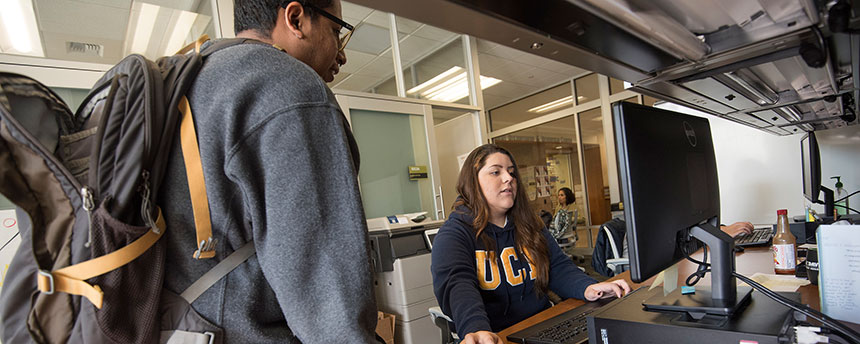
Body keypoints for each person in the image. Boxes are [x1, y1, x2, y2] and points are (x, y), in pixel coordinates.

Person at [158, 0, 379, 342]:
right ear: (295, 18)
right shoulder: (290, 88)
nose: (342, 53)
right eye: (337, 30)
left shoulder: (191, 80)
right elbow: (329, 301)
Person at [431, 144, 630, 344]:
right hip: (495, 335)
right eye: (495, 172)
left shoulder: (530, 224)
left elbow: (557, 267)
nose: (508, 178)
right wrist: (476, 329)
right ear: (472, 182)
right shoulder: (454, 234)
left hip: (540, 325)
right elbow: (458, 285)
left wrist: (589, 287)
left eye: (511, 172)